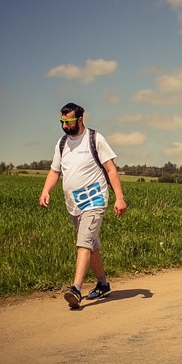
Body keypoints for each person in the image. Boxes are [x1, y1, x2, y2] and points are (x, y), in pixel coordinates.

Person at [39, 102, 127, 308]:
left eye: (68, 121)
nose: (64, 126)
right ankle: (103, 284)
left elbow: (111, 169)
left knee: (84, 241)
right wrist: (46, 190)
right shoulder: (62, 143)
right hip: (74, 204)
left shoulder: (95, 139)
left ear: (80, 119)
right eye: (62, 122)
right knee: (92, 245)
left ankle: (76, 288)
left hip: (95, 200)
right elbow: (55, 171)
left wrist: (119, 198)